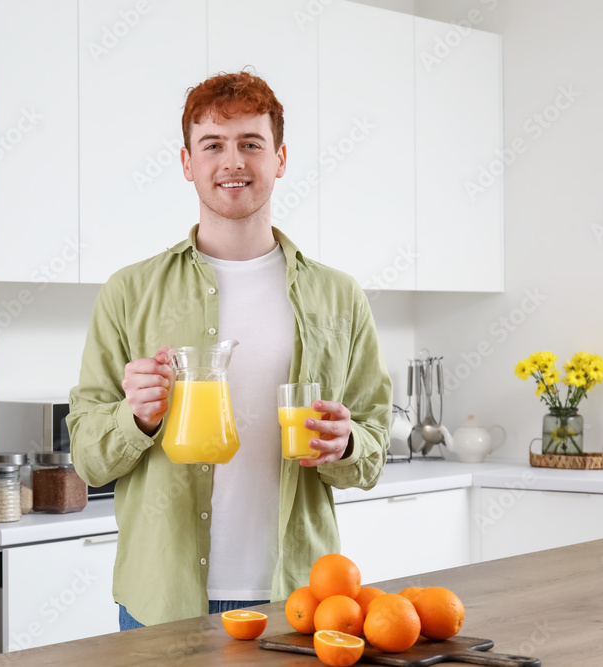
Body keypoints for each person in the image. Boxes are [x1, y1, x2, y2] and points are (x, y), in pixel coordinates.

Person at [67, 70, 391, 630]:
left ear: (280, 158)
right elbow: (89, 459)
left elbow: (375, 447)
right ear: (188, 163)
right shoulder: (130, 292)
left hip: (298, 596)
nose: (232, 161)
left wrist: (347, 443)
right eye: (213, 145)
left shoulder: (339, 296)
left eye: (251, 143)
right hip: (163, 600)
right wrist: (136, 418)